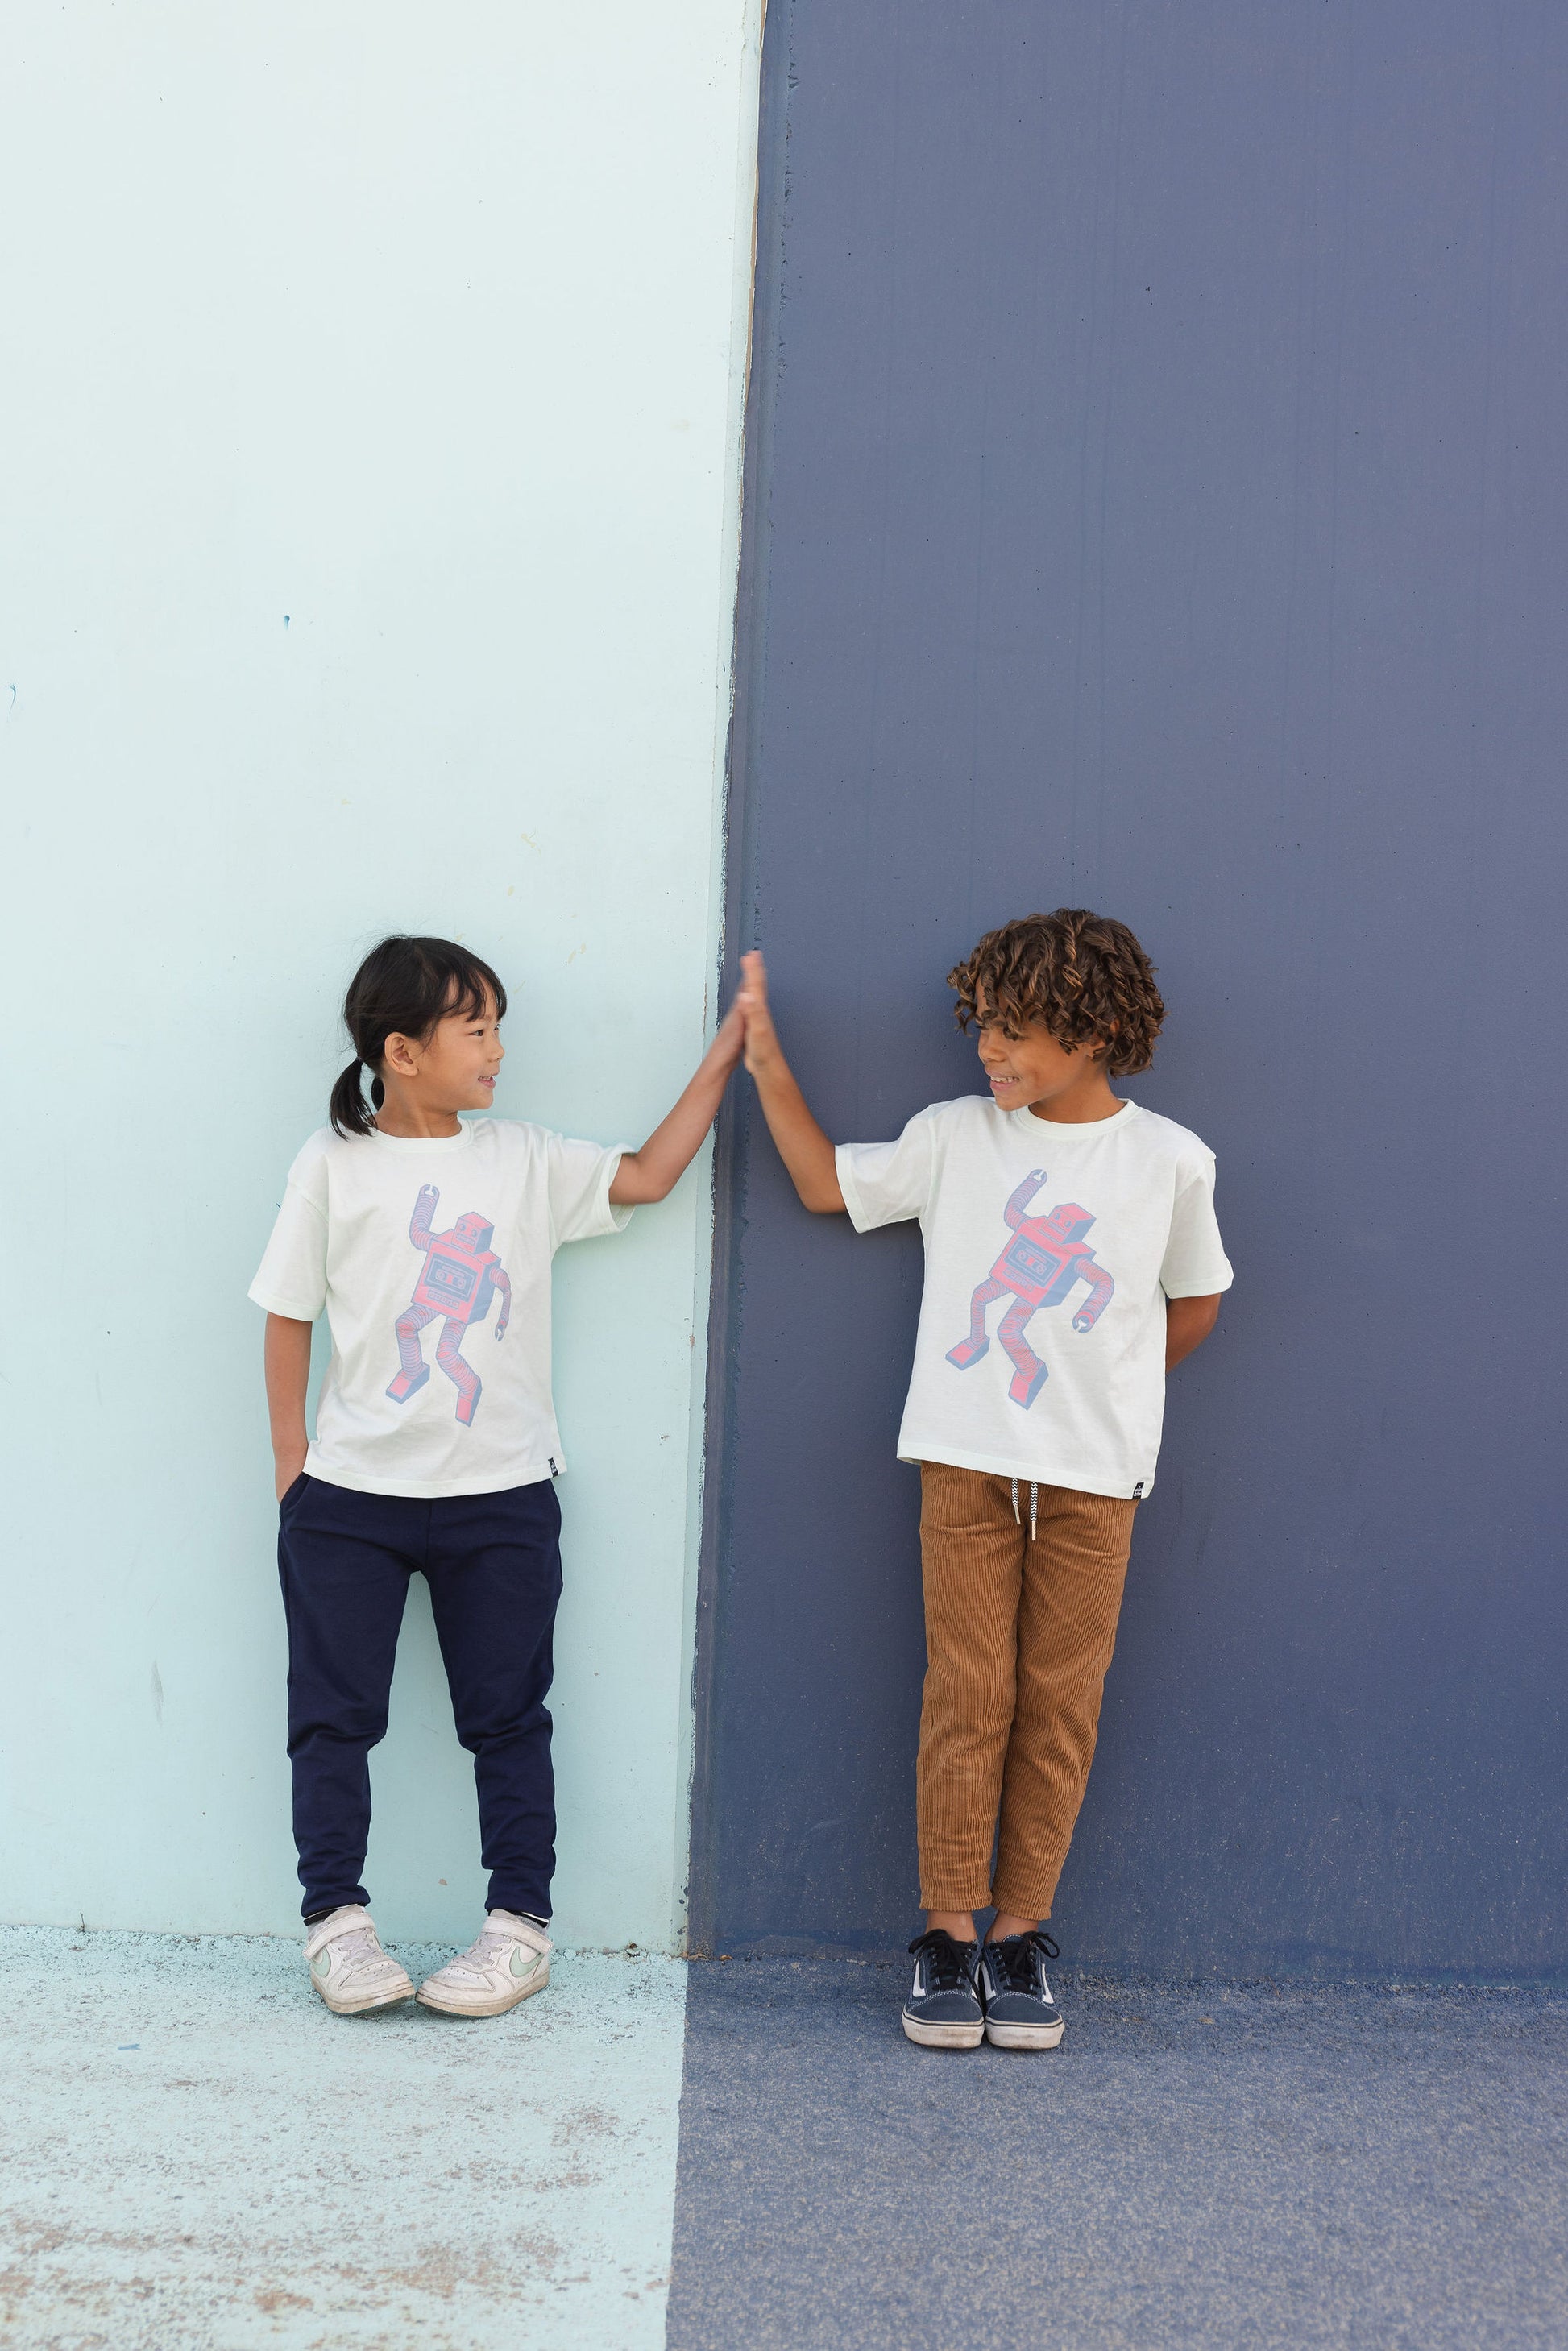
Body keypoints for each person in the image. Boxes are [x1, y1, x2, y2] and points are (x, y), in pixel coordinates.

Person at [735, 910, 1232, 2051]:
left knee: (1061, 1702)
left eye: (1012, 1032)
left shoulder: (1169, 1159)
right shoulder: (956, 1134)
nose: (987, 1051)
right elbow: (824, 1185)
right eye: (984, 1028)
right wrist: (765, 1060)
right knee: (967, 1693)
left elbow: (1197, 1300)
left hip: (1094, 1478)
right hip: (964, 1464)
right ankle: (947, 1933)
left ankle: (1020, 1935)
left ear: (1090, 1032)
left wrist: (1105, 1391)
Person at [251, 935, 741, 2017]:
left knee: (509, 1717)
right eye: (476, 1029)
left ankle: (519, 1928)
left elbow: (648, 1175)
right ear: (403, 1050)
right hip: (349, 1504)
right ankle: (335, 1924)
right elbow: (287, 1313)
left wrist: (724, 1055)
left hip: (502, 1494)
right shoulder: (331, 1164)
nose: (498, 1050)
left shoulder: (522, 1157)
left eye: (496, 1028)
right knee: (332, 1718)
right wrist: (295, 1472)